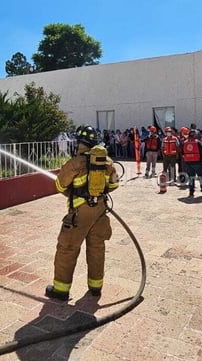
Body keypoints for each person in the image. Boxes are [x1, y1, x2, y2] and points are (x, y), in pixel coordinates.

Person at [46, 125, 120, 301]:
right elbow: (115, 184)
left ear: (79, 142)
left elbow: (59, 185)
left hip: (79, 214)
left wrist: (75, 192)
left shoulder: (74, 163)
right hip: (100, 211)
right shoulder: (107, 162)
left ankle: (60, 290)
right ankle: (96, 288)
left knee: (67, 249)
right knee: (97, 249)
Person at [183, 129, 202, 198]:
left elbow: (181, 151)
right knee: (201, 177)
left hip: (188, 162)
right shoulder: (198, 142)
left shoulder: (185, 142)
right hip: (197, 162)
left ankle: (191, 192)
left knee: (191, 178)